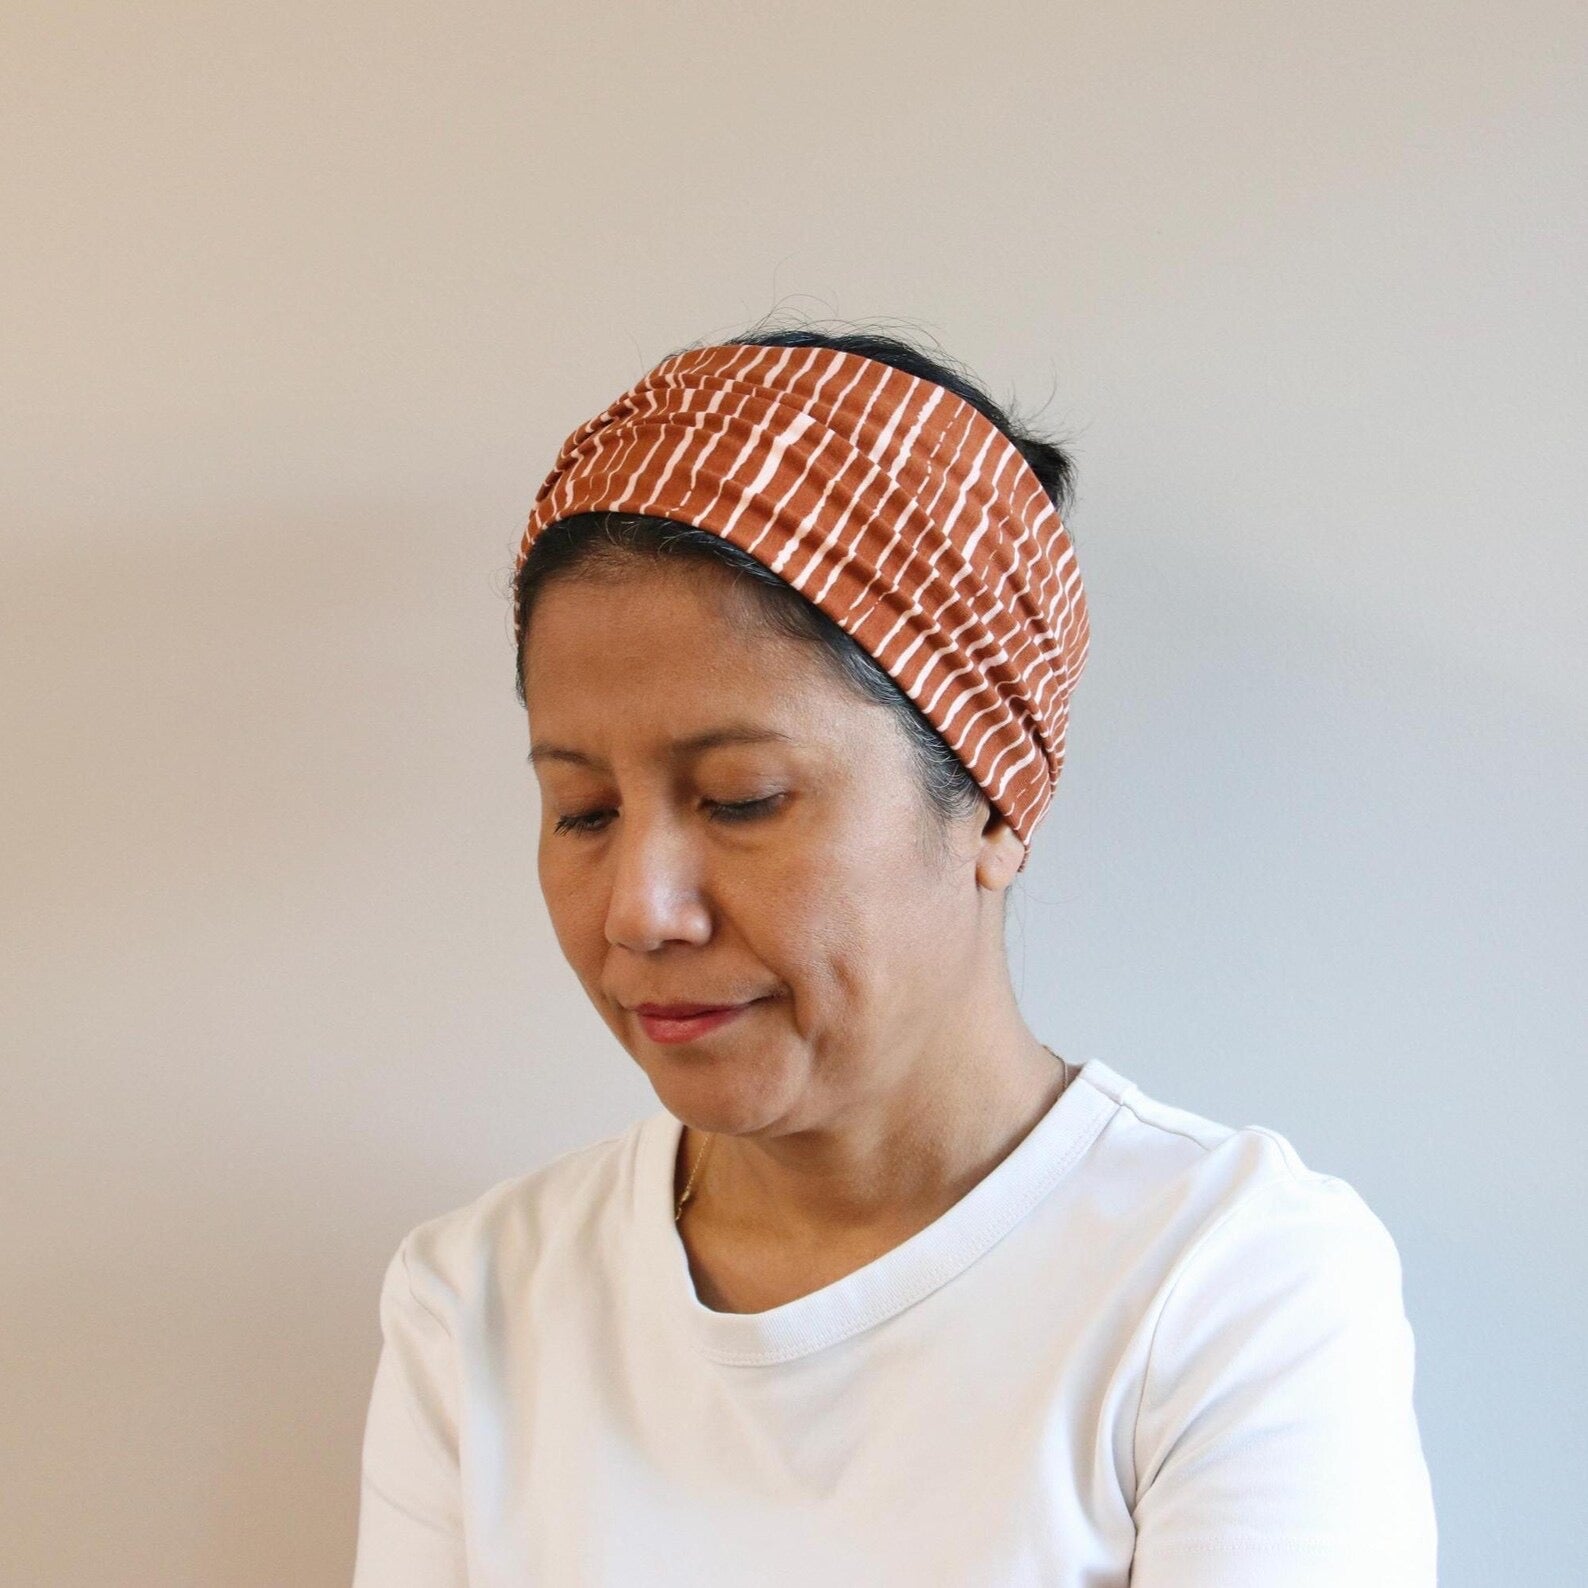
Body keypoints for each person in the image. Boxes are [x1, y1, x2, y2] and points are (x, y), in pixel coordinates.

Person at [350, 326, 1438, 1586]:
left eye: (743, 797)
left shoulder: (1225, 1287)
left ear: (987, 803)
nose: (640, 911)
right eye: (583, 810)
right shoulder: (477, 1300)